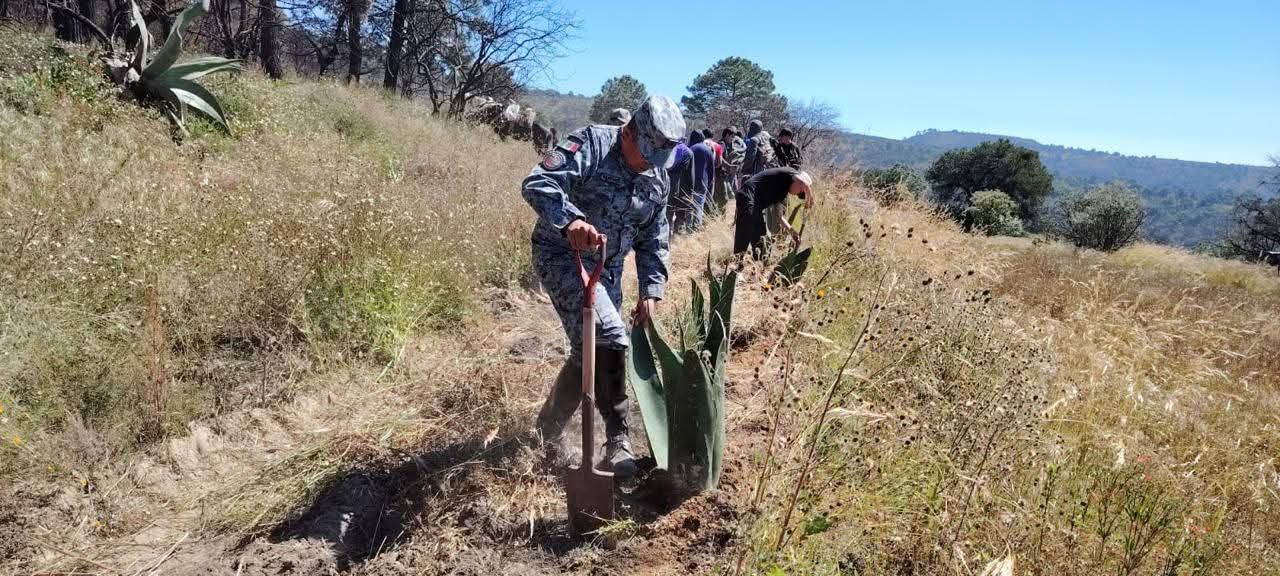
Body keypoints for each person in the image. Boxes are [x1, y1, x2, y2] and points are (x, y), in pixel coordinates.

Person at [522, 95, 685, 477]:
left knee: (588, 352)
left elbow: (654, 238)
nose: (649, 164)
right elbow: (537, 181)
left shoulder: (656, 176)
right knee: (609, 336)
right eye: (646, 153)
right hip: (563, 255)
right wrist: (570, 220)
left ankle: (546, 430)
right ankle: (618, 440)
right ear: (629, 132)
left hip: (607, 272)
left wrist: (651, 289)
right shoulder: (592, 144)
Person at [733, 167, 814, 259]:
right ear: (800, 184)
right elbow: (803, 180)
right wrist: (809, 199)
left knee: (760, 238)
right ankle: (737, 263)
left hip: (757, 206)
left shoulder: (782, 192)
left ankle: (759, 264)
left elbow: (778, 216)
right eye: (800, 192)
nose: (796, 195)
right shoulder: (789, 174)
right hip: (748, 194)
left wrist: (792, 232)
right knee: (746, 228)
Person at [672, 130, 715, 233]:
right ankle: (695, 230)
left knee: (688, 207)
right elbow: (711, 170)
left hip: (688, 184)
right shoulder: (708, 149)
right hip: (702, 184)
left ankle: (686, 229)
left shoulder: (690, 149)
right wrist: (709, 183)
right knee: (698, 207)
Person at [715, 127, 746, 213]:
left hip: (724, 175)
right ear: (727, 135)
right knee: (723, 198)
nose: (732, 139)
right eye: (732, 137)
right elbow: (720, 157)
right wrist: (729, 166)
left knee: (726, 197)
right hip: (720, 176)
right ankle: (719, 218)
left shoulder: (728, 145)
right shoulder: (722, 144)